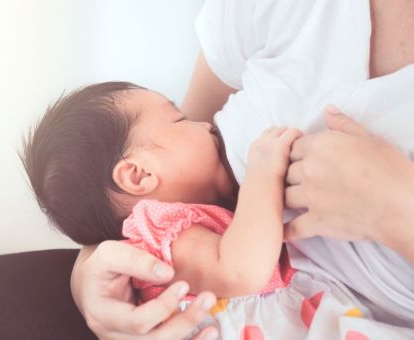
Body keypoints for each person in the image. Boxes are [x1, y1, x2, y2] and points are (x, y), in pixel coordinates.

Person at [71, 0, 414, 338]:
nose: (207, 127)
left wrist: (399, 207)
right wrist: (87, 274)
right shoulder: (163, 227)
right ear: (137, 175)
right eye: (181, 120)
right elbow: (240, 269)